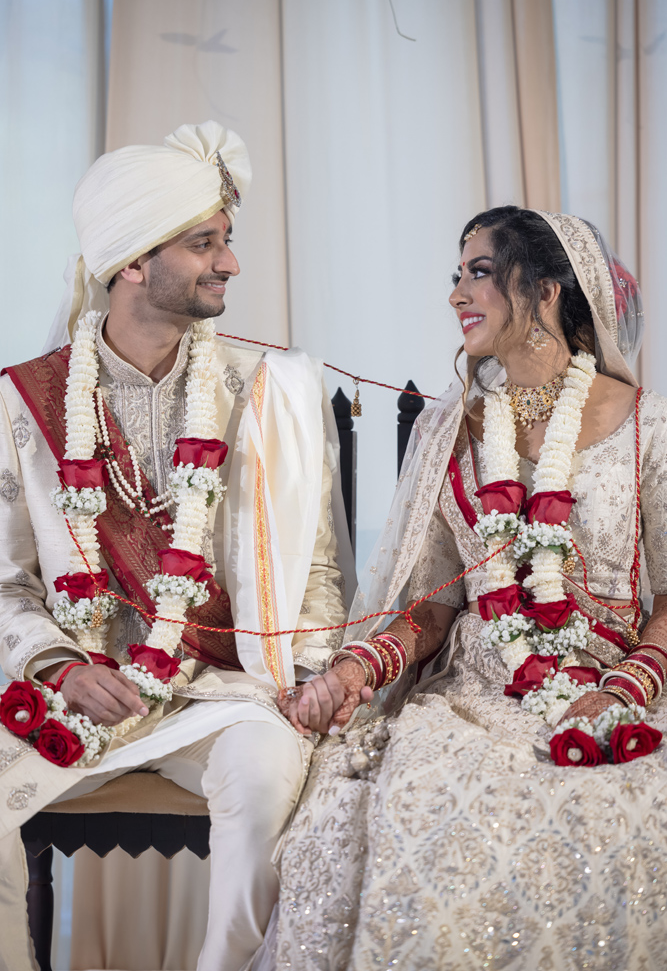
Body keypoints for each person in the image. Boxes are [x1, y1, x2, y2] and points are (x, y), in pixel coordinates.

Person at [0, 120, 355, 971]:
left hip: (216, 691)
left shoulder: (266, 391)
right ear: (130, 262)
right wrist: (59, 666)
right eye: (204, 244)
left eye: (226, 242)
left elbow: (313, 568)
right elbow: (5, 582)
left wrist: (310, 678)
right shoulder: (23, 404)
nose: (229, 264)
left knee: (269, 769)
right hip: (66, 694)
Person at [273, 208, 667, 970]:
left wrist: (626, 686)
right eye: (455, 276)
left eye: (478, 272)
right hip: (472, 696)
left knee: (629, 822)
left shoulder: (645, 426)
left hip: (621, 693)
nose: (456, 293)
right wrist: (358, 668)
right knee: (415, 809)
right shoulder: (451, 430)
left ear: (548, 290)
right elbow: (430, 601)